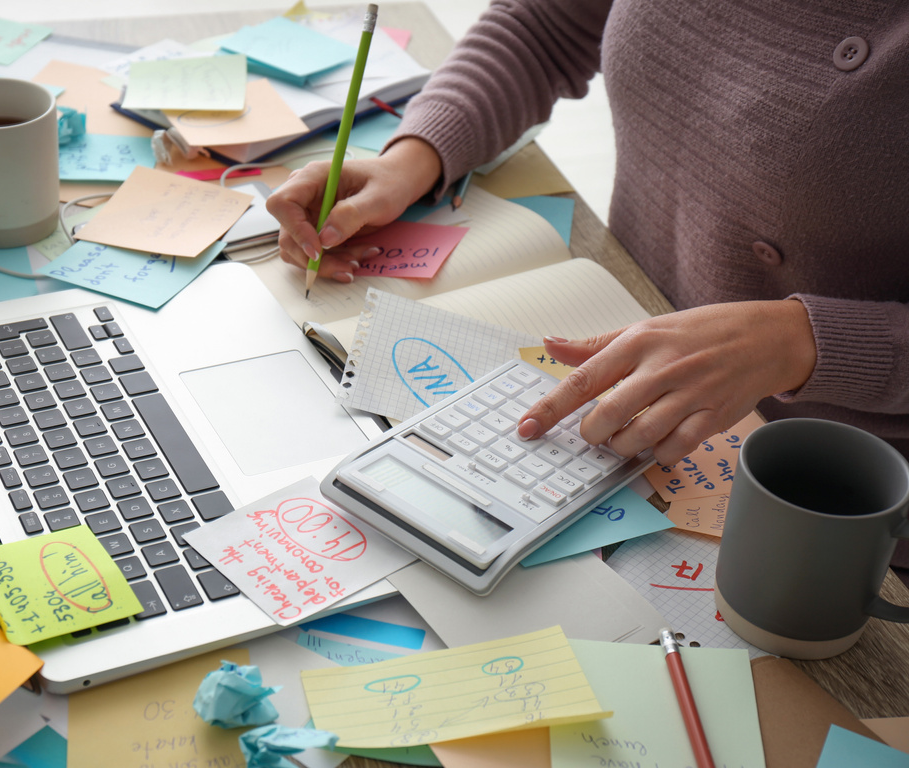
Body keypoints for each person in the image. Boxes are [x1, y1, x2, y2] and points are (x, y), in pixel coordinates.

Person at [267, 0, 909, 472]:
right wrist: (413, 157)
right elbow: (544, 27)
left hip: (842, 484)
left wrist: (800, 341)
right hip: (629, 314)